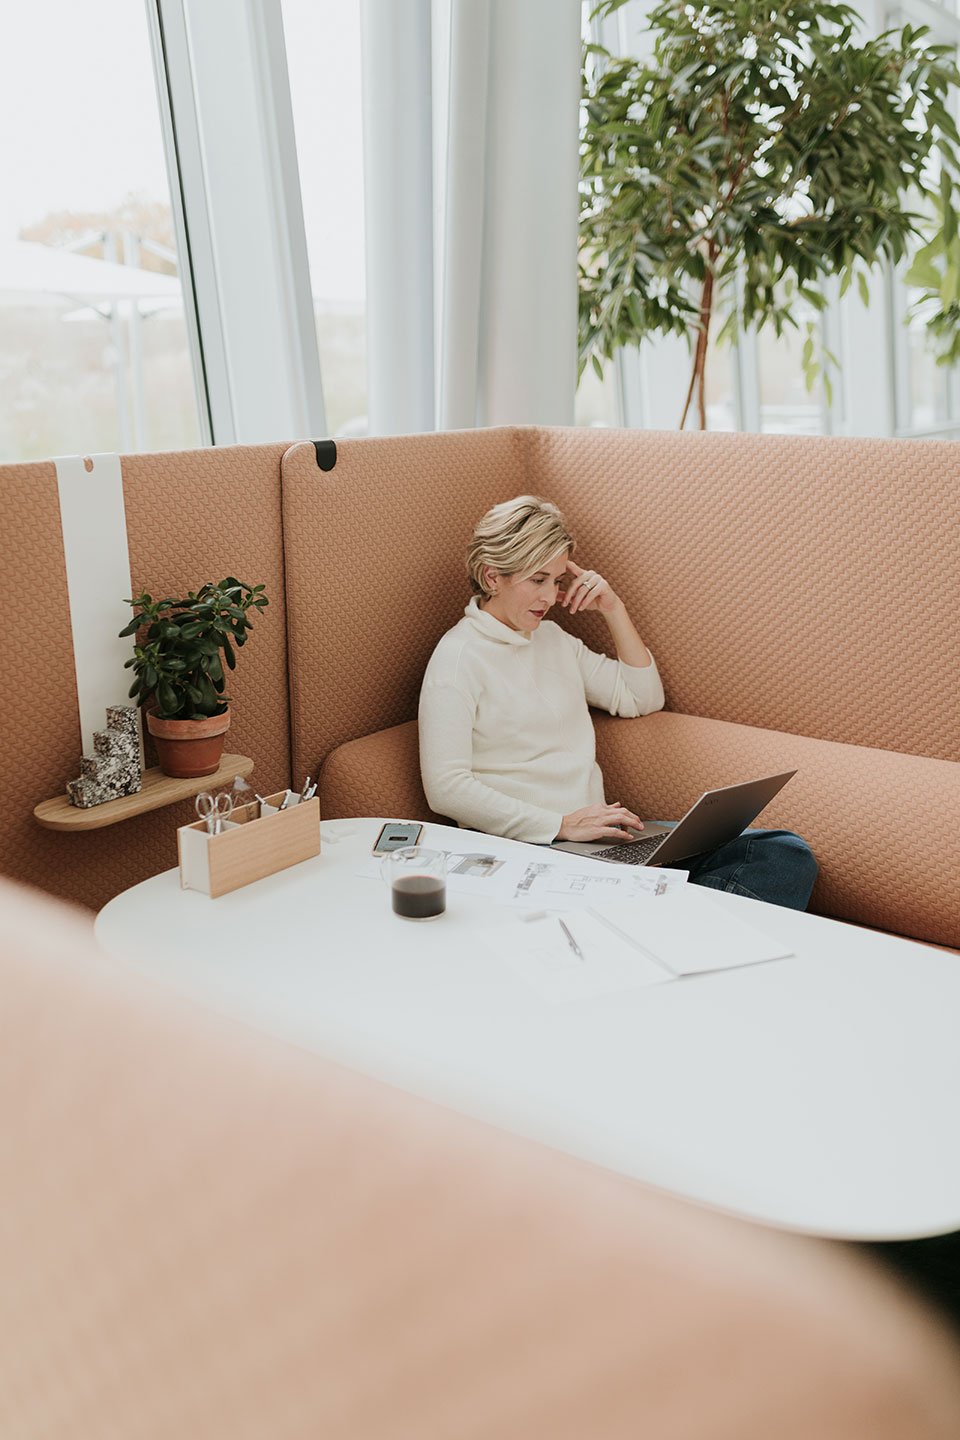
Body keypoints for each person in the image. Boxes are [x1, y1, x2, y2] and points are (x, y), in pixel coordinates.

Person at [418, 495, 817, 910]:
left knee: (783, 853)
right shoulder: (459, 658)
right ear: (491, 576)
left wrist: (613, 609)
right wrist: (562, 824)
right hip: (535, 848)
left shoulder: (552, 640)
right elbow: (447, 789)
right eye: (538, 580)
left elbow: (641, 698)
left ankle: (665, 923)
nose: (551, 596)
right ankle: (669, 922)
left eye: (557, 580)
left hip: (598, 842)